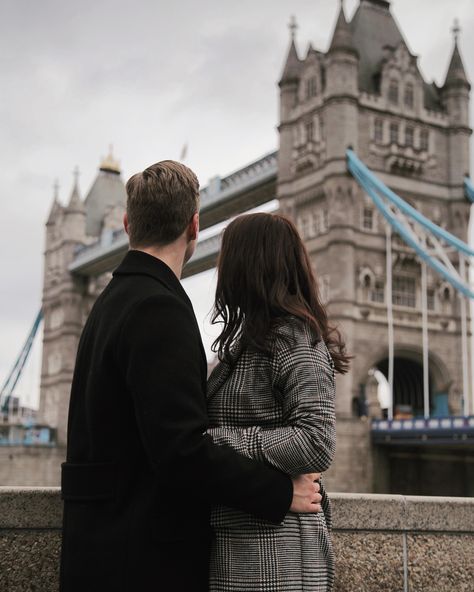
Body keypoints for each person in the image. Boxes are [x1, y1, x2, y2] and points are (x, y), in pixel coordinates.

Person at [59, 161, 322, 592]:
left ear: (127, 224)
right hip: (142, 560)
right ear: (195, 227)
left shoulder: (108, 302)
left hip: (96, 546)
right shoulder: (158, 307)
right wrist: (278, 493)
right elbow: (180, 451)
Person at [206, 213, 351, 592]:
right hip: (248, 539)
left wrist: (214, 441)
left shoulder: (294, 340)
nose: (221, 271)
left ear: (249, 265)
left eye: (227, 258)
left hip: (278, 552)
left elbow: (316, 442)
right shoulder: (252, 341)